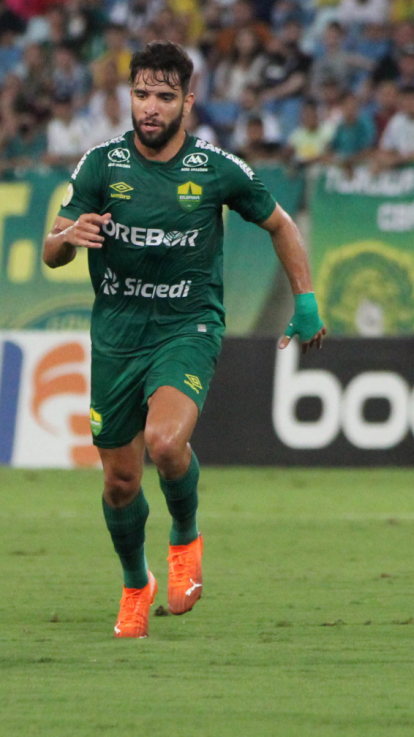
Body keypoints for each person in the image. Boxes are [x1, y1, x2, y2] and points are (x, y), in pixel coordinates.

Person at [42, 42, 325, 639]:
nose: (150, 107)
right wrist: (73, 233)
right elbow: (51, 251)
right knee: (120, 482)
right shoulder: (101, 164)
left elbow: (280, 223)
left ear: (188, 102)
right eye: (142, 94)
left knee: (166, 443)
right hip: (117, 333)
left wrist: (304, 299)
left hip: (187, 325)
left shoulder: (215, 169)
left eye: (165, 97)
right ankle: (134, 584)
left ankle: (185, 533)